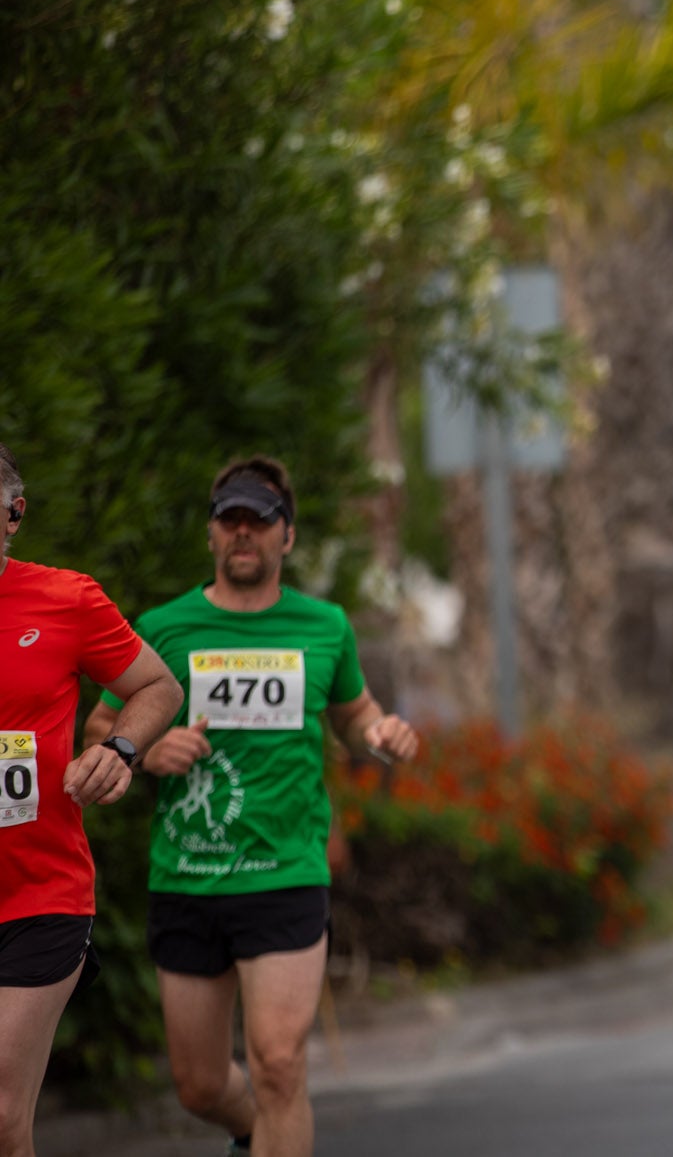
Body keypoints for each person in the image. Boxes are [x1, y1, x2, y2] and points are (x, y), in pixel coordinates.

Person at [85, 457, 420, 1157]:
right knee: (200, 1084)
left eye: (258, 521)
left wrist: (379, 733)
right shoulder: (166, 627)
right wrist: (146, 748)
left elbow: (355, 716)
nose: (243, 533)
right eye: (230, 519)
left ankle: (268, 1123)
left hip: (285, 870)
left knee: (278, 1065)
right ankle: (248, 1132)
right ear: (210, 533)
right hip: (189, 874)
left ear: (286, 537)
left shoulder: (324, 625)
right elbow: (99, 728)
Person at [0, 441, 183, 1157]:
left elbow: (159, 685)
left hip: (41, 893)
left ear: (13, 514)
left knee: (3, 1117)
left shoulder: (67, 598)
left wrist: (119, 749)